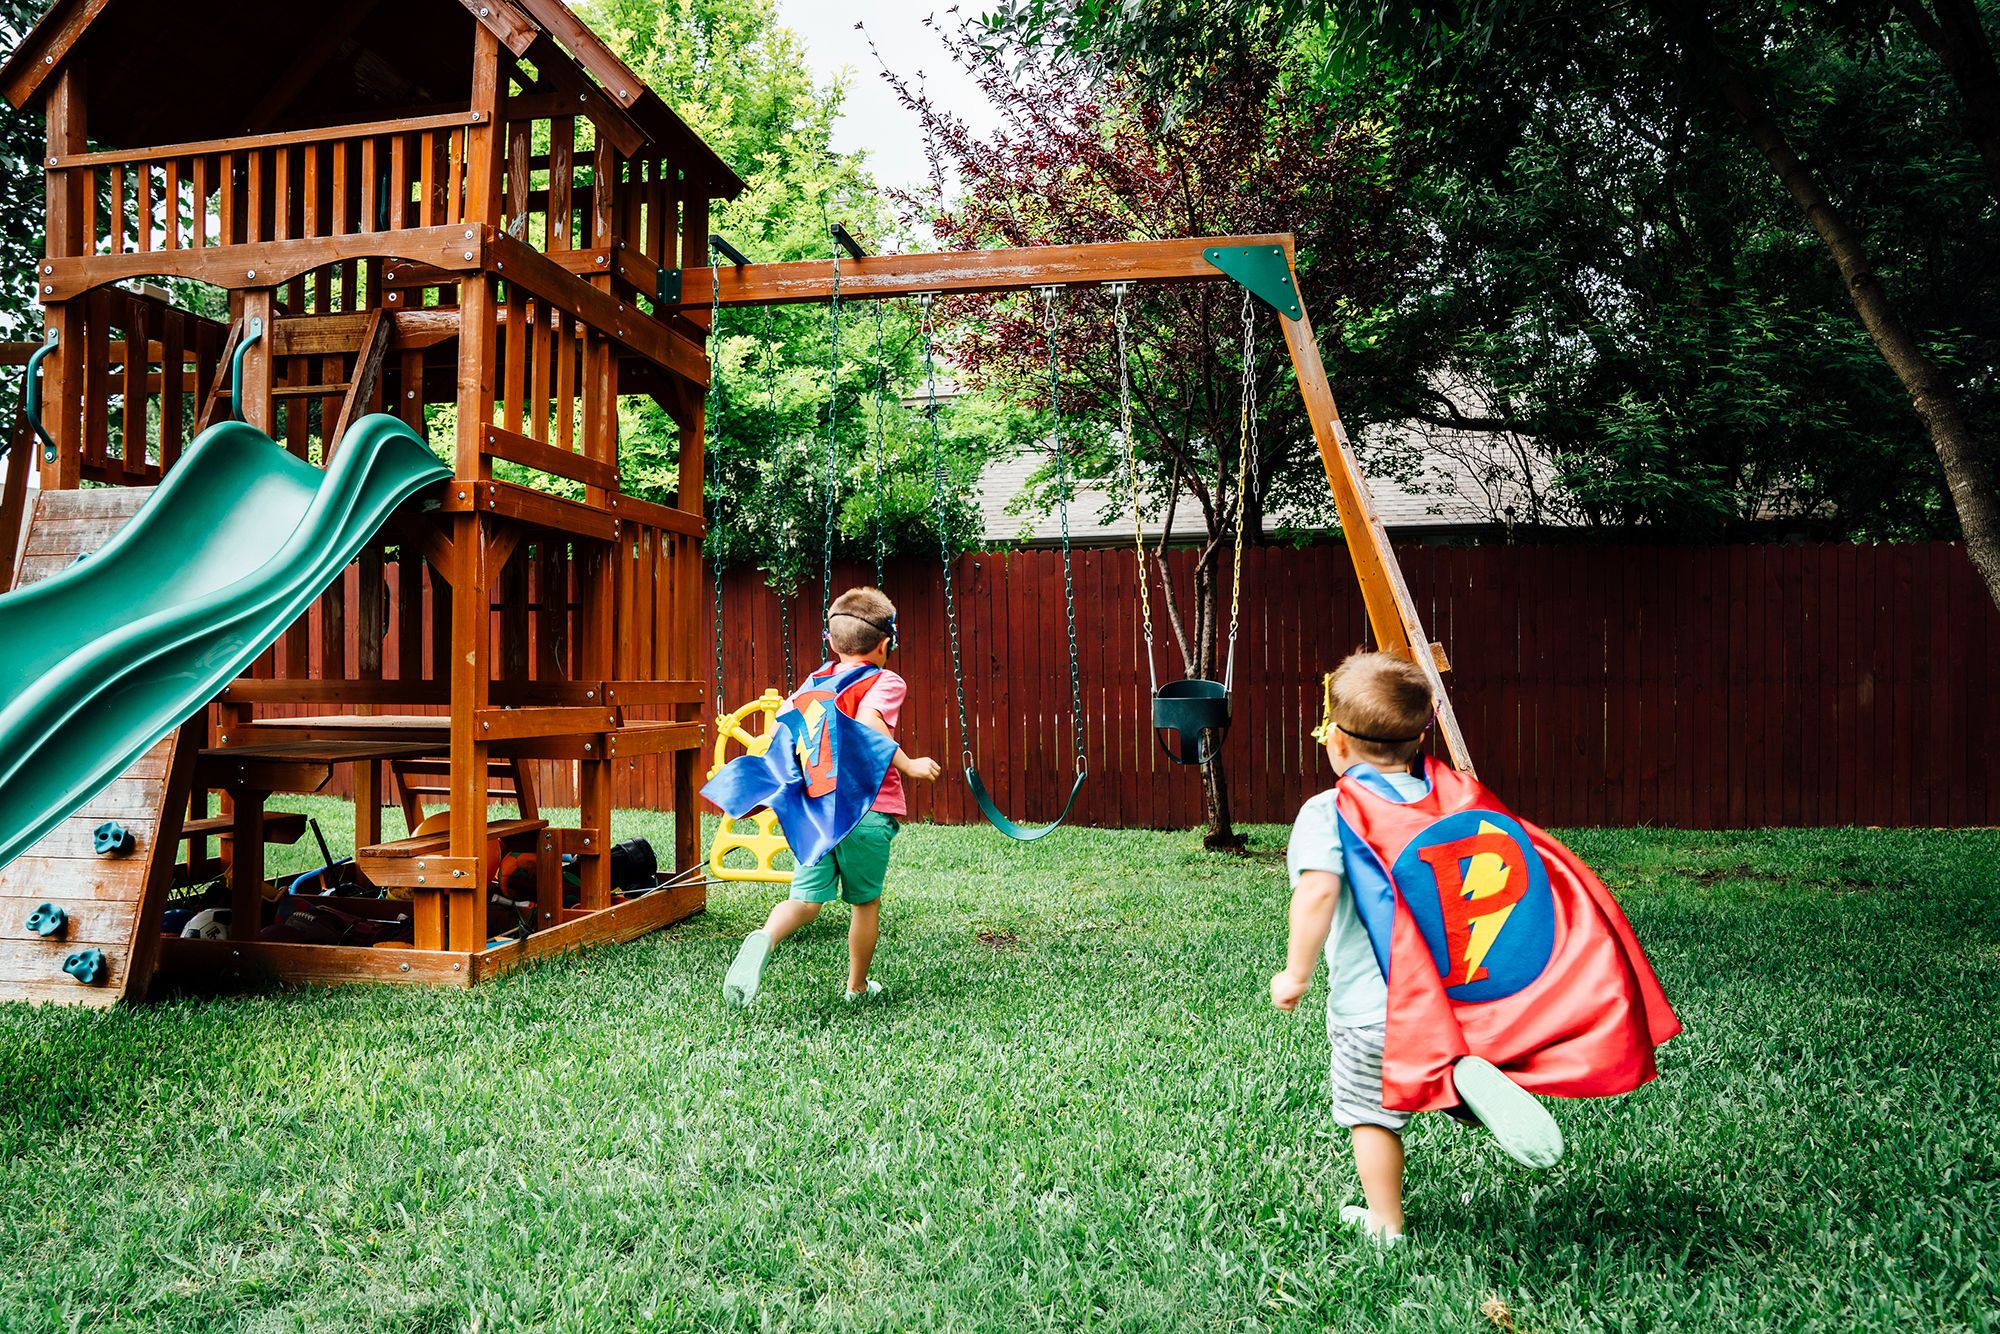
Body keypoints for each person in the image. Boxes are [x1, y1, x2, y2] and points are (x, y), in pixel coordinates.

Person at [1272, 651, 1677, 1246]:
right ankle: (1460, 1085)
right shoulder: (1456, 797)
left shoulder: (1329, 812)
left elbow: (1317, 892)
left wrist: (1295, 973)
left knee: (1370, 1115)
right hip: (1454, 1008)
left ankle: (1385, 1221)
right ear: (1418, 739)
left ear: (1335, 745)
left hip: (1373, 1011)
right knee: (1430, 1062)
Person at [722, 587, 941, 1008]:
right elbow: (869, 719)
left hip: (817, 814)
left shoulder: (812, 684)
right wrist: (909, 764)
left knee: (803, 902)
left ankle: (765, 938)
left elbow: (784, 732)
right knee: (865, 902)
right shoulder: (884, 679)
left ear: (831, 643)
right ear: (885, 644)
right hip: (865, 812)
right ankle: (856, 988)